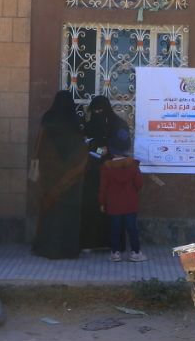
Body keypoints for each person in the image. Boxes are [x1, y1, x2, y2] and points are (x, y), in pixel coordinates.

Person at [30, 91, 89, 260]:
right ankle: (68, 249)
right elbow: (81, 151)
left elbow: (39, 146)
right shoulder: (74, 121)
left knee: (50, 211)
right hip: (70, 180)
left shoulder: (48, 119)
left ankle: (46, 247)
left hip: (49, 177)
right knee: (69, 213)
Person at [80, 96, 125, 250]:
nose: (98, 113)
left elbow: (124, 143)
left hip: (112, 173)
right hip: (92, 173)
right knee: (92, 206)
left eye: (101, 110)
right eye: (95, 110)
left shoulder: (118, 124)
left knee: (113, 206)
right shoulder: (88, 126)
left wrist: (109, 149)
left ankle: (113, 244)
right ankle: (90, 242)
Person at [98, 127, 145, 262]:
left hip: (113, 204)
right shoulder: (133, 165)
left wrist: (102, 202)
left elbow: (103, 187)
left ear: (112, 152)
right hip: (130, 203)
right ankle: (135, 253)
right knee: (132, 229)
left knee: (115, 229)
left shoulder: (106, 166)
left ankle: (115, 253)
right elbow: (139, 184)